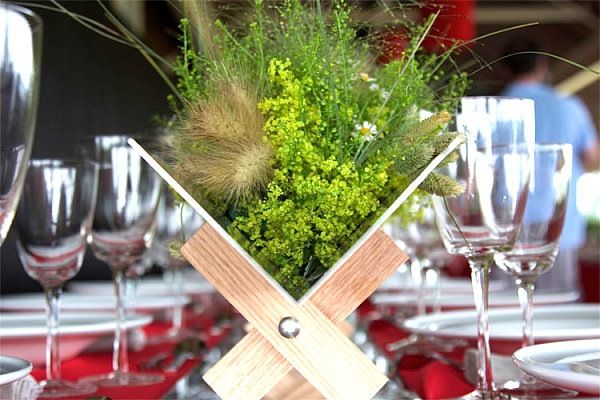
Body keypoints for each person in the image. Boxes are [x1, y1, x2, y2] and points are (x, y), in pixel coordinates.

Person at [501, 39, 599, 295]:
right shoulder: (569, 106)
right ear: (542, 66)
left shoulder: (493, 110)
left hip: (506, 225)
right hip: (558, 224)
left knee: (505, 307)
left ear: (506, 70)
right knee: (560, 306)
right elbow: (592, 157)